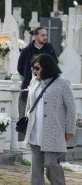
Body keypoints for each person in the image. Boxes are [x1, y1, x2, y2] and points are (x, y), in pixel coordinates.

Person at [25, 54, 76, 185]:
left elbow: (71, 108)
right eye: (33, 69)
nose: (35, 71)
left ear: (47, 68)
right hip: (35, 130)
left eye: (37, 68)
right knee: (36, 166)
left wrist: (70, 130)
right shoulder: (34, 82)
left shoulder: (63, 83)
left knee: (50, 163)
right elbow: (29, 105)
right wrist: (27, 120)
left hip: (54, 132)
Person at [17, 27, 57, 124]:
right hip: (28, 88)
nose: (45, 37)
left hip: (47, 88)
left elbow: (55, 65)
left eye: (46, 35)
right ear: (35, 36)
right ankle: (24, 139)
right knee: (24, 118)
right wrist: (29, 77)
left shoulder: (49, 49)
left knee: (44, 120)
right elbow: (20, 68)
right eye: (42, 35)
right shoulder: (26, 51)